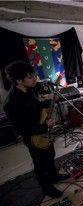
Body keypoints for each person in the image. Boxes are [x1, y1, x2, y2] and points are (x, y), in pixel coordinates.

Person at [3, 60, 69, 198]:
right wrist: (45, 126)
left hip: (45, 131)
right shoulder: (11, 103)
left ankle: (54, 176)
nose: (35, 78)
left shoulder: (29, 89)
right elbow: (20, 130)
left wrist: (51, 101)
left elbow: (36, 106)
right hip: (34, 138)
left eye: (34, 75)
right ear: (19, 81)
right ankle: (47, 188)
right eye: (31, 76)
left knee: (50, 155)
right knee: (40, 164)